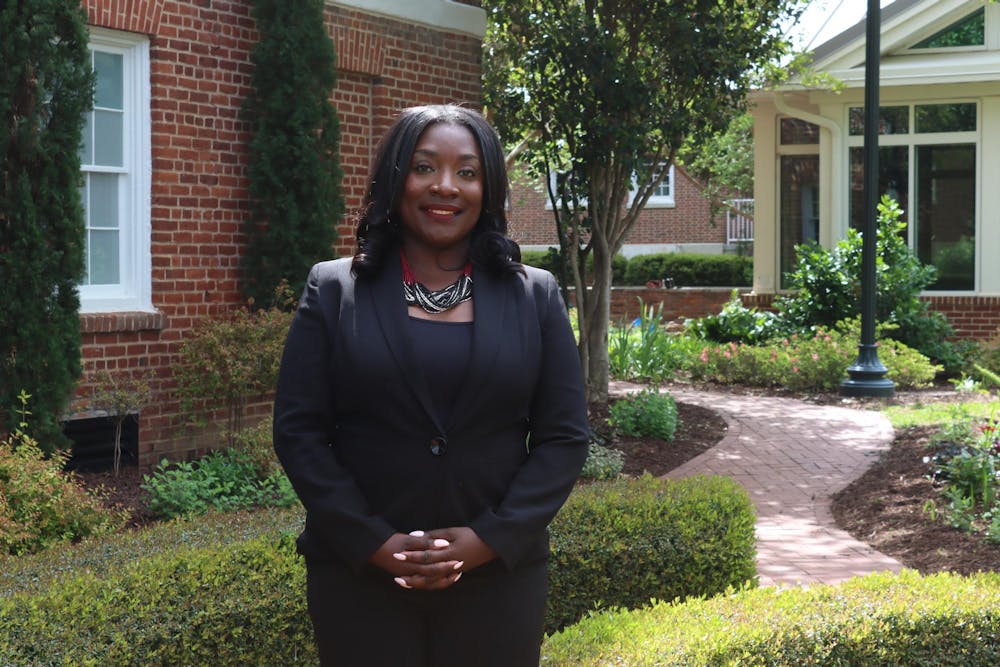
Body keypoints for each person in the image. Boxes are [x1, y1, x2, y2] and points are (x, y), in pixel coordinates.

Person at [272, 104, 589, 666]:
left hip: (499, 580)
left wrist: (488, 540)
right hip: (359, 579)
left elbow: (563, 438)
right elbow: (299, 433)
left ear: (487, 188)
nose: (446, 186)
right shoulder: (334, 289)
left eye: (467, 172)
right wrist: (376, 544)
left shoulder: (534, 295)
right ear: (396, 179)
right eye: (425, 167)